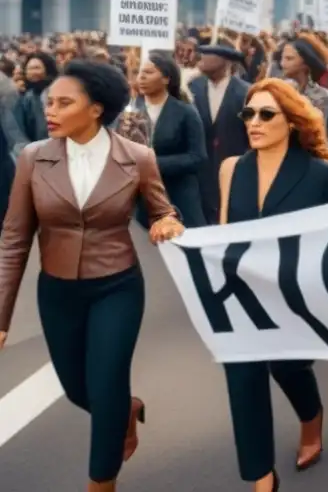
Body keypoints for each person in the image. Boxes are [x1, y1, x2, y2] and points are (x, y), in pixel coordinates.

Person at [0, 60, 183, 492]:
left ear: (96, 108)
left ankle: (101, 482)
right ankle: (125, 410)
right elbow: (13, 240)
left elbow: (162, 210)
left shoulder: (138, 158)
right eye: (51, 102)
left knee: (105, 387)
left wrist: (169, 223)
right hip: (57, 292)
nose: (52, 110)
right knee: (78, 390)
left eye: (65, 102)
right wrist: (2, 316)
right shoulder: (32, 158)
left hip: (117, 287)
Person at [218, 78, 328, 492]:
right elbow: (222, 235)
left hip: (296, 296)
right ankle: (262, 477)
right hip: (242, 296)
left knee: (288, 369)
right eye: (248, 113)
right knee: (244, 383)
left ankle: (311, 419)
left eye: (266, 114)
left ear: (291, 122)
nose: (253, 122)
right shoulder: (231, 169)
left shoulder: (321, 173)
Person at [133, 52, 207, 228]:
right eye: (140, 72)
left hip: (179, 197)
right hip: (143, 200)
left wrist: (153, 164)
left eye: (149, 72)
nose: (141, 77)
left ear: (166, 78)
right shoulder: (132, 111)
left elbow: (198, 157)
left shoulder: (185, 112)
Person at [189, 44, 251, 224]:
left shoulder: (245, 91)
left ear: (226, 61)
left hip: (233, 168)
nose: (203, 57)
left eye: (210, 54)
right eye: (203, 53)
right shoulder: (192, 87)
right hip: (200, 172)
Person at [278, 39, 328, 160]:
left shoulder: (322, 96)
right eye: (282, 58)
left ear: (305, 62)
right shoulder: (276, 92)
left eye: (289, 59)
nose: (283, 63)